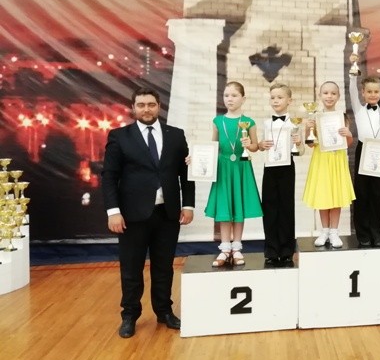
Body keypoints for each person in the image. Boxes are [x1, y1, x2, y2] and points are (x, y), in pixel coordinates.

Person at [101, 87, 195, 338]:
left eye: (151, 104)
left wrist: (188, 205)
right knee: (131, 268)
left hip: (168, 214)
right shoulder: (119, 136)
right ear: (133, 108)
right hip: (131, 216)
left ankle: (164, 311)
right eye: (141, 105)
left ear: (159, 107)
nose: (146, 109)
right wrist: (113, 211)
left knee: (164, 267)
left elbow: (186, 173)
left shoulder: (176, 135)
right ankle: (129, 315)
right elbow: (109, 176)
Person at [204, 81, 262, 267]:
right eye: (226, 95)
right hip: (223, 168)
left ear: (243, 99)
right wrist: (198, 159)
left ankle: (237, 247)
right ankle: (224, 248)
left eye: (234, 95)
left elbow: (255, 146)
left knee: (238, 206)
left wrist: (249, 145)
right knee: (224, 206)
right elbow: (212, 147)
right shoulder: (217, 121)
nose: (229, 99)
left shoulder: (249, 122)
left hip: (241, 167)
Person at [302, 81, 355, 248]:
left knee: (336, 196)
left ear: (338, 96)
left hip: (337, 160)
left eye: (333, 93)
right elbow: (310, 144)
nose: (329, 96)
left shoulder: (342, 117)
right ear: (320, 96)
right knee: (323, 195)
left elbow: (348, 143)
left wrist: (349, 134)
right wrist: (308, 129)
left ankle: (334, 231)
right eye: (325, 93)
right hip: (321, 160)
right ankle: (324, 231)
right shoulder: (315, 116)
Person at [258, 83, 304, 266]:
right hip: (269, 167)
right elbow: (261, 145)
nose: (275, 101)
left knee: (286, 207)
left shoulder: (295, 123)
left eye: (280, 97)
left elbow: (300, 152)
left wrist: (298, 142)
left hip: (287, 168)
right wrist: (261, 145)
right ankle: (271, 250)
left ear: (289, 100)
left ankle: (286, 250)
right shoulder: (266, 123)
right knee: (269, 207)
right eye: (273, 98)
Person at [350, 74, 380, 247]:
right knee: (361, 194)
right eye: (369, 91)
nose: (372, 94)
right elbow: (352, 91)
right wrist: (352, 75)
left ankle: (377, 233)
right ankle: (363, 234)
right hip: (363, 150)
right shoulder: (359, 110)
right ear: (363, 93)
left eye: (376, 91)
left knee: (377, 195)